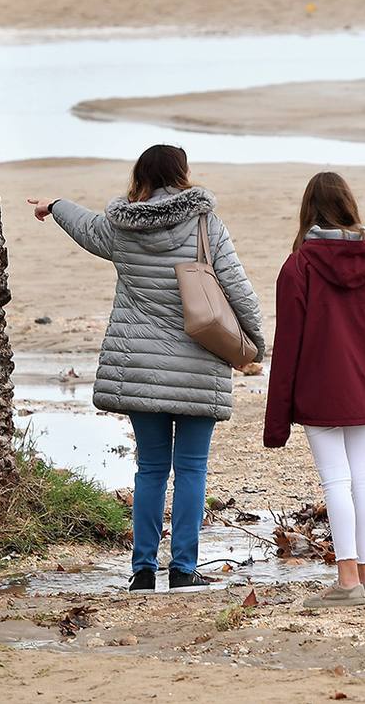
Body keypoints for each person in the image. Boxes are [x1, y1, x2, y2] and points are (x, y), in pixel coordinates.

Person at [28, 145, 264, 593]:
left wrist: (54, 205)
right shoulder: (204, 221)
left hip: (138, 364)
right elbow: (237, 286)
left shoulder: (122, 226)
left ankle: (141, 572)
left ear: (141, 176)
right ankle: (183, 569)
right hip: (198, 364)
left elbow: (85, 227)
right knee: (192, 469)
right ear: (182, 174)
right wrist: (253, 346)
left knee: (151, 469)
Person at [264, 172, 365, 609]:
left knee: (338, 480)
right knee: (362, 478)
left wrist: (276, 422)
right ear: (348, 206)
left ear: (308, 210)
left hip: (319, 388)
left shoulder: (299, 264)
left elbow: (287, 346)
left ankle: (347, 582)